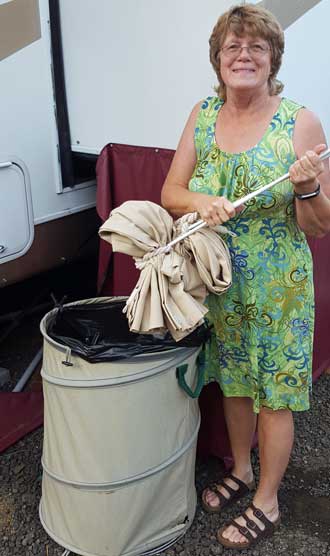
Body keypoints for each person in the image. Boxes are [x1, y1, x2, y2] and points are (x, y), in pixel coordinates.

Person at [161, 3, 330, 550]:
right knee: (234, 380)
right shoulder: (202, 114)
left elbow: (320, 225)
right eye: (232, 47)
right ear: (218, 59)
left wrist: (306, 187)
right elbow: (170, 194)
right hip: (222, 281)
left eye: (257, 47)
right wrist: (203, 201)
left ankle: (268, 499)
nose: (244, 55)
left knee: (274, 395)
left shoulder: (299, 121)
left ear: (272, 58)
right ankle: (240, 468)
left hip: (279, 286)